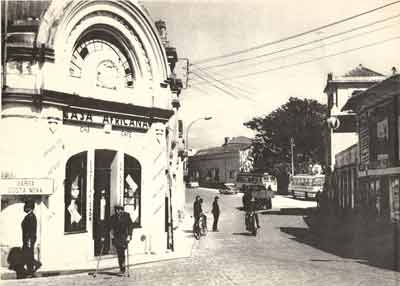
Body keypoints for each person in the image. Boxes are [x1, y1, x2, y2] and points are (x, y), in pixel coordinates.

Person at [109, 204, 134, 274]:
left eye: (119, 210)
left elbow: (130, 226)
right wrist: (111, 235)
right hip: (116, 237)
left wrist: (129, 235)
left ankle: (122, 268)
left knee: (122, 252)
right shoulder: (113, 217)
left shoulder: (126, 216)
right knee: (119, 252)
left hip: (124, 237)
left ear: (122, 210)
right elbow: (110, 227)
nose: (118, 211)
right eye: (116, 210)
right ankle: (122, 268)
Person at [21, 200, 41, 278]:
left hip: (29, 239)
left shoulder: (31, 217)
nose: (24, 208)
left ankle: (31, 270)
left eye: (26, 207)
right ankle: (32, 268)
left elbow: (32, 230)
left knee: (28, 254)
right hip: (27, 239)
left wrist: (29, 240)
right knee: (28, 254)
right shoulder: (28, 216)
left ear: (30, 208)